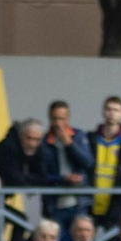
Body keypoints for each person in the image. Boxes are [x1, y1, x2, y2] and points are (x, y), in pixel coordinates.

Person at [43, 100, 93, 233]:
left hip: (79, 202)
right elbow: (42, 175)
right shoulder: (45, 142)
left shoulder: (78, 136)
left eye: (62, 119)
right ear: (49, 118)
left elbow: (88, 163)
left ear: (68, 118)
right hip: (54, 204)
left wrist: (70, 144)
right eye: (55, 119)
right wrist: (63, 179)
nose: (58, 123)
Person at [87, 96, 121, 226]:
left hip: (116, 200)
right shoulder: (91, 138)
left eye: (116, 110)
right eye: (108, 109)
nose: (112, 113)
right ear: (103, 112)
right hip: (92, 199)